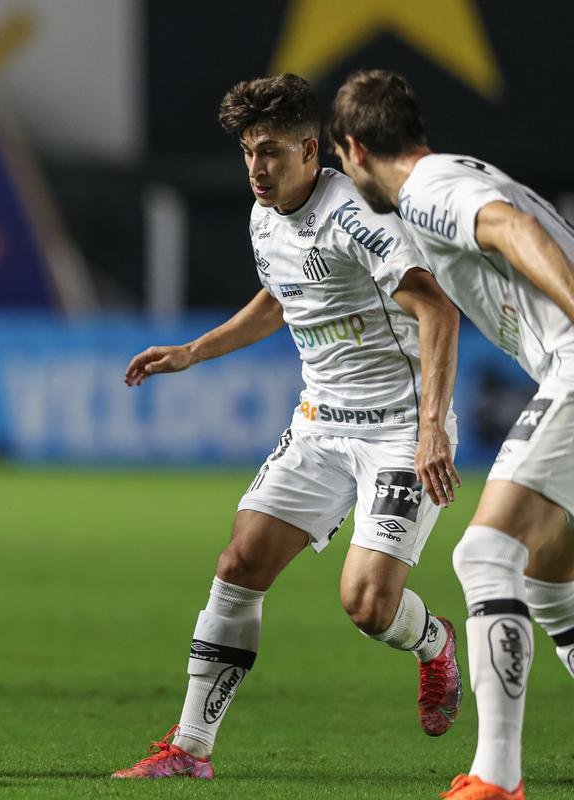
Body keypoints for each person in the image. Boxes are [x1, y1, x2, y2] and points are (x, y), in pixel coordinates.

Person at [112, 73, 464, 781]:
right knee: (239, 564)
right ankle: (190, 749)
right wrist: (193, 351)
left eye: (270, 151)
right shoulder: (264, 214)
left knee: (367, 604)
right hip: (319, 427)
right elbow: (280, 298)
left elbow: (437, 310)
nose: (256, 168)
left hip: (398, 430)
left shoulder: (358, 215)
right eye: (248, 152)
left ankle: (434, 643)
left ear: (310, 150)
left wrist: (431, 428)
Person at [329, 68, 574, 800]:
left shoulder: (428, 190)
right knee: (550, 581)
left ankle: (496, 779)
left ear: (353, 148)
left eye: (342, 160)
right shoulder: (452, 175)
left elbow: (511, 228)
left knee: (485, 553)